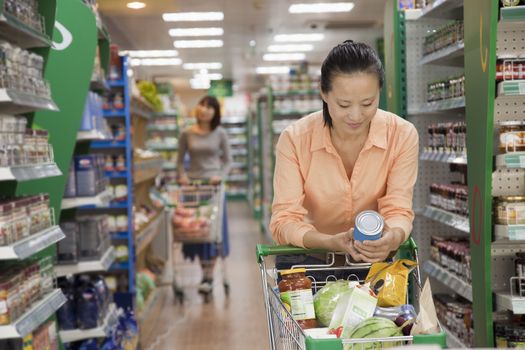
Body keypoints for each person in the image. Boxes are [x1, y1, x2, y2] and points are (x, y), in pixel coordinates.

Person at [270, 40, 419, 273]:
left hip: (372, 259)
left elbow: (398, 209)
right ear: (324, 93)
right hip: (307, 262)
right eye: (344, 104)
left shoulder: (401, 135)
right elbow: (284, 220)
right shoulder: (295, 139)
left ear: (380, 91)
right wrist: (329, 242)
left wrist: (394, 236)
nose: (356, 115)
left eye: (368, 103)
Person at [176, 95, 232, 292]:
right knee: (197, 233)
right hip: (193, 189)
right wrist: (182, 176)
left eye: (210, 107)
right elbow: (179, 161)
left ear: (215, 112)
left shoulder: (220, 133)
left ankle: (209, 276)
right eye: (202, 105)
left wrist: (220, 176)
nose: (205, 110)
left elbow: (228, 161)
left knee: (213, 232)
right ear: (197, 108)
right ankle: (204, 274)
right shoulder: (186, 133)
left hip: (214, 189)